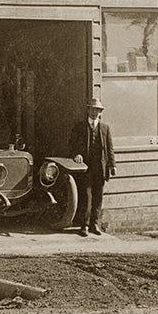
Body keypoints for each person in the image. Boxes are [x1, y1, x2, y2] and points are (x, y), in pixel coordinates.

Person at [67, 97, 116, 237]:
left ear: (100, 112)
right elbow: (71, 145)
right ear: (88, 110)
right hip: (85, 169)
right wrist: (76, 154)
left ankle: (95, 224)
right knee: (86, 197)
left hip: (100, 169)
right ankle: (84, 226)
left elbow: (110, 149)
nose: (95, 112)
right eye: (93, 109)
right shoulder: (79, 127)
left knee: (98, 198)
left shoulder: (105, 128)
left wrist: (113, 165)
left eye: (98, 110)